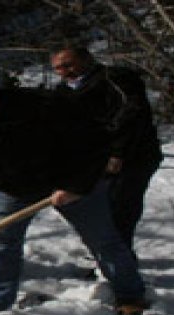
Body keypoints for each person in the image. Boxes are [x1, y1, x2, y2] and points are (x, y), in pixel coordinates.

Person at [0, 73, 147, 315]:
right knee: (1, 243)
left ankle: (130, 295)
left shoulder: (44, 107)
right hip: (14, 186)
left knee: (103, 240)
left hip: (71, 178)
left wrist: (76, 185)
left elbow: (95, 142)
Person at [50, 46, 163, 253]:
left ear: (87, 60)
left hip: (132, 157)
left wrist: (117, 152)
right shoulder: (64, 92)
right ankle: (107, 257)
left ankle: (121, 265)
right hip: (95, 162)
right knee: (98, 212)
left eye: (68, 65)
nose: (65, 72)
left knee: (120, 210)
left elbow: (133, 117)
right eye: (58, 68)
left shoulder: (116, 79)